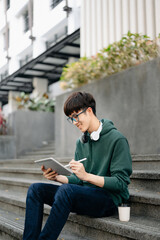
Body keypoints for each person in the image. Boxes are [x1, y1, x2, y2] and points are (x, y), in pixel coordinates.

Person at [23, 91, 132, 240]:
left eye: (76, 116)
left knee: (66, 191)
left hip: (109, 200)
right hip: (85, 194)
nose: (74, 122)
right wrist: (57, 177)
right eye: (71, 119)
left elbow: (121, 183)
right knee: (36, 190)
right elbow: (78, 180)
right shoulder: (81, 142)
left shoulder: (117, 139)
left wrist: (87, 176)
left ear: (89, 111)